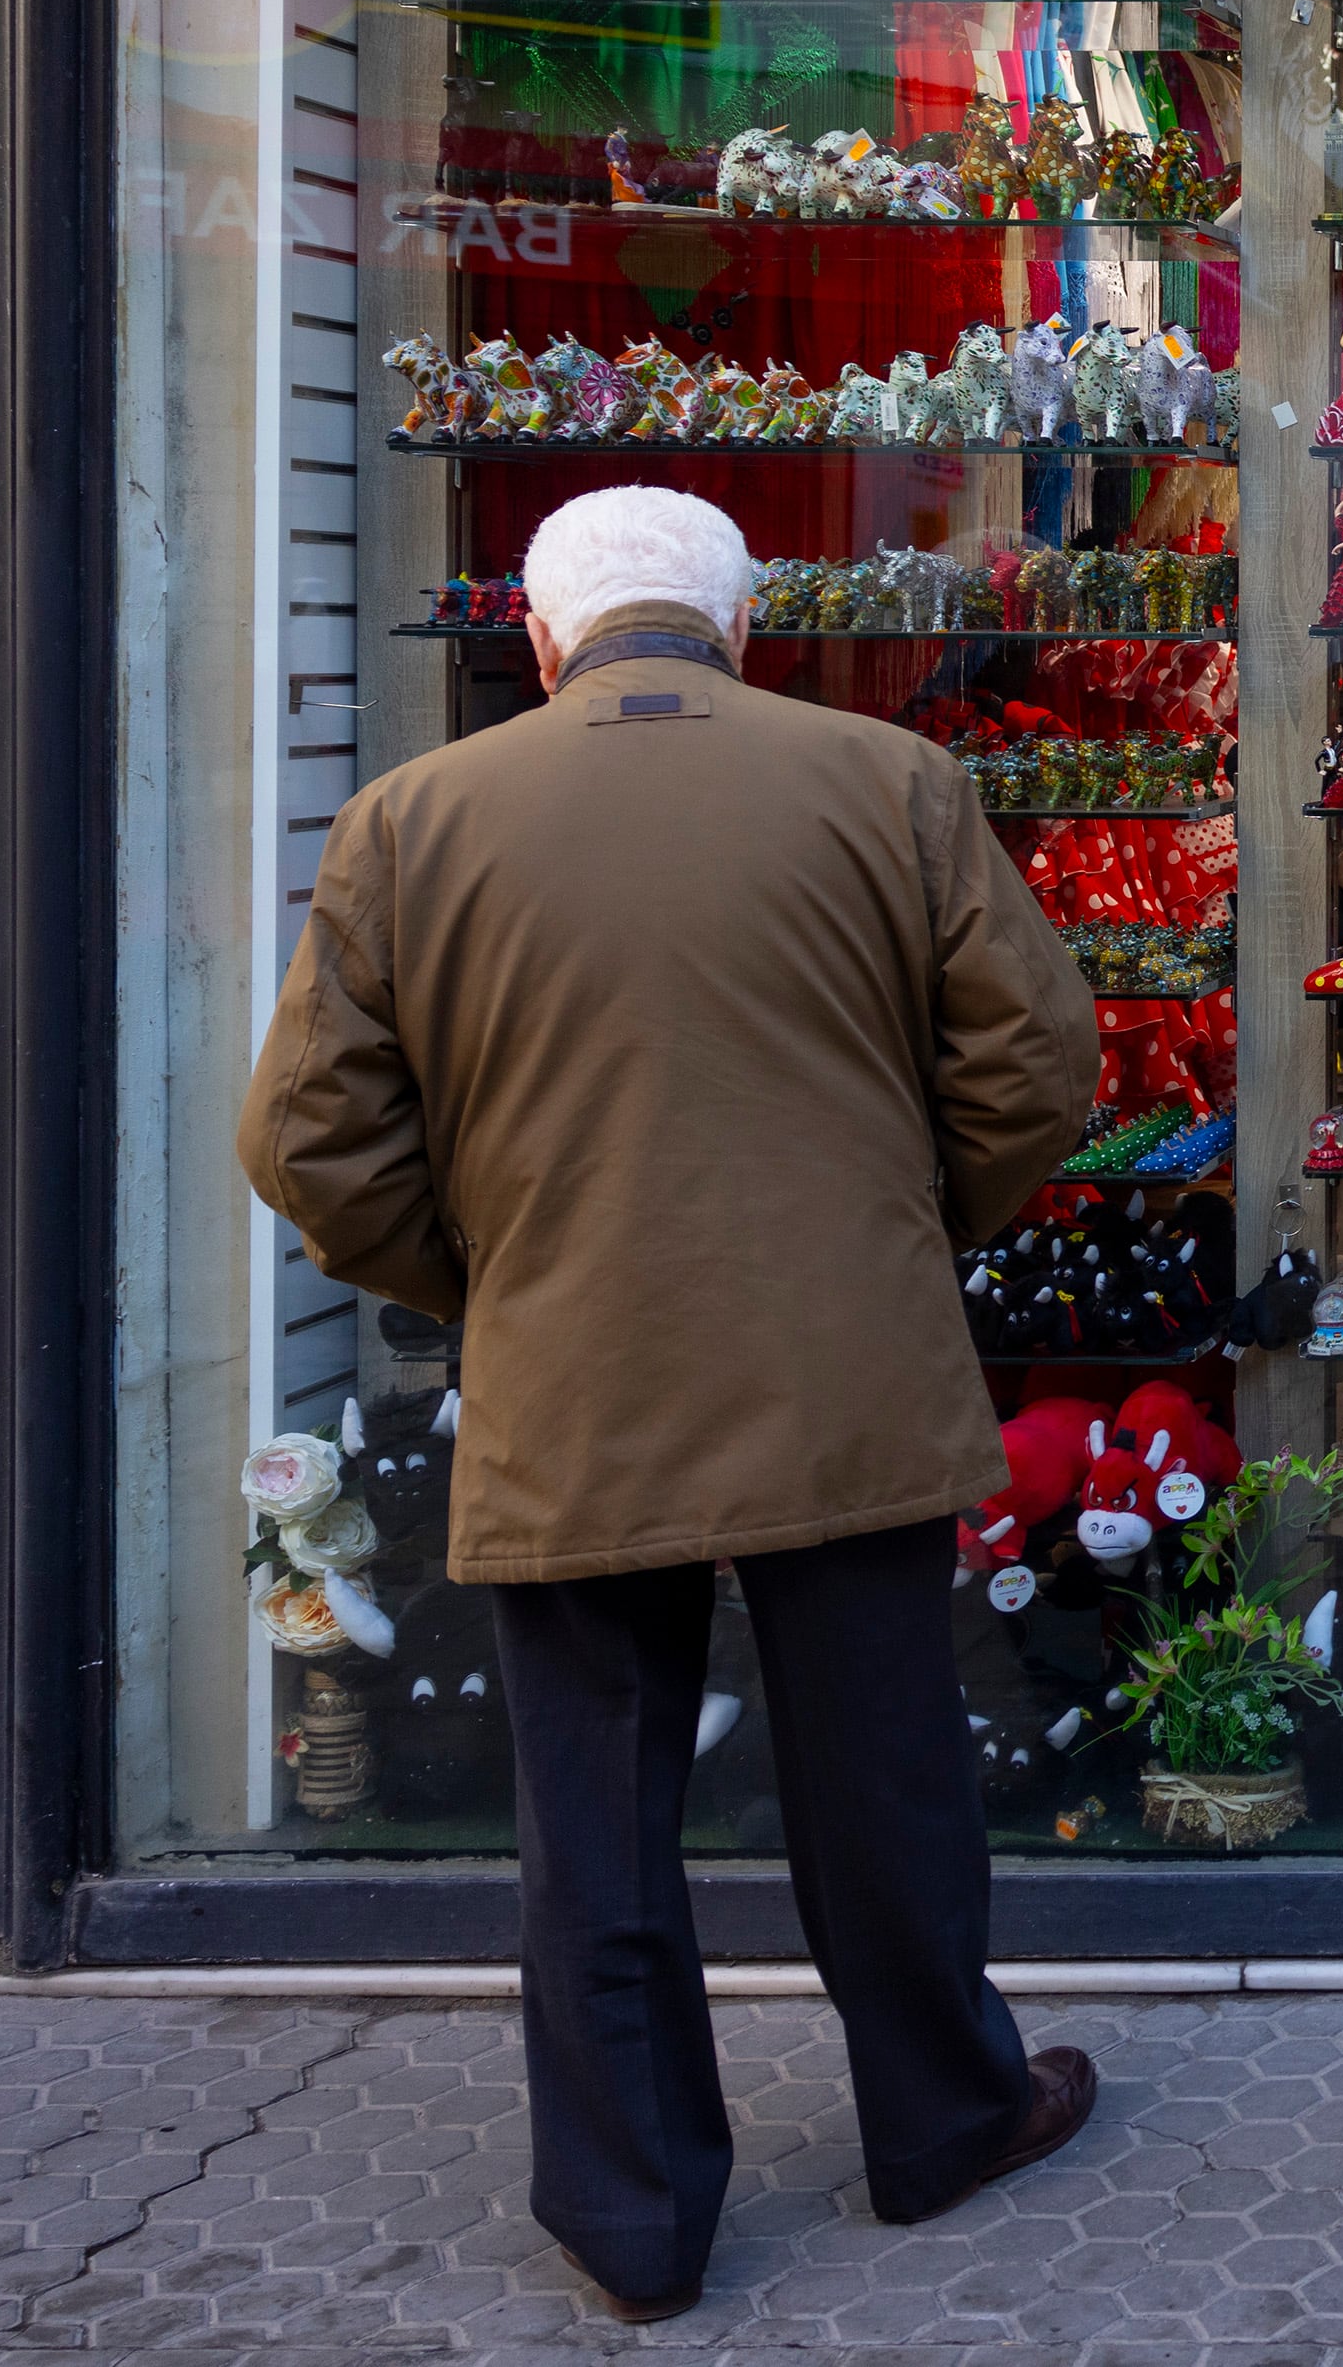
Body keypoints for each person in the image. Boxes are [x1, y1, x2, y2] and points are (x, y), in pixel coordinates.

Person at [236, 486, 1101, 2323]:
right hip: (839, 1362)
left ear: (541, 643)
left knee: (594, 1807)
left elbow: (308, 1138)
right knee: (883, 1772)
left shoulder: (412, 819)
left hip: (573, 1369)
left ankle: (633, 2224)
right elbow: (1036, 1065)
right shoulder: (888, 781)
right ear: (743, 628)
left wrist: (483, 1279)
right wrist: (898, 1229)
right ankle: (944, 2118)